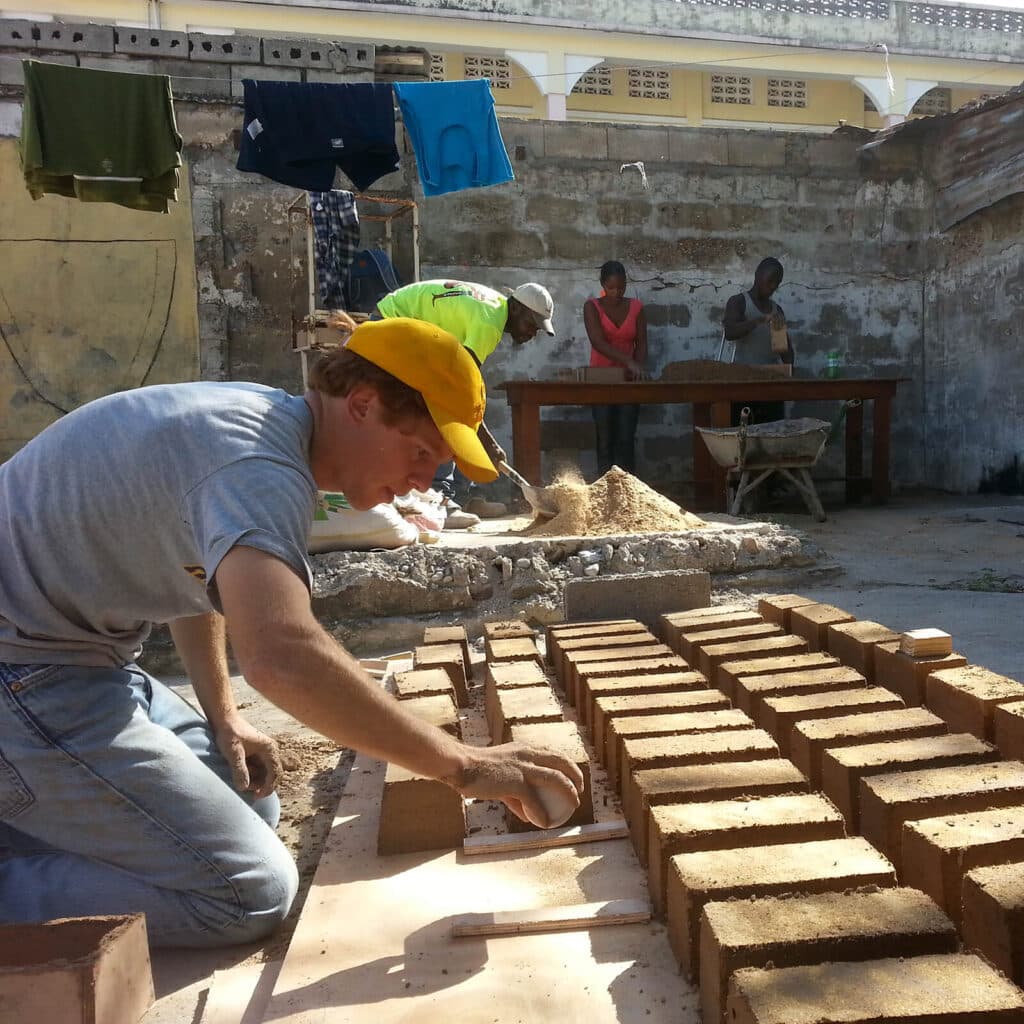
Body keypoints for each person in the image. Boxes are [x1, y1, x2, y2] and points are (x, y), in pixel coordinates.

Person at [0, 318, 582, 948]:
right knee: (245, 890)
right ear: (361, 405)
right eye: (420, 453)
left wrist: (225, 718)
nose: (423, 481)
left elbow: (193, 577)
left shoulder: (265, 423)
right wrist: (463, 766)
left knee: (249, 796)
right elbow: (281, 656)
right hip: (24, 676)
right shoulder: (258, 466)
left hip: (67, 660)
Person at [376, 279, 555, 527]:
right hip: (392, 324)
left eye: (537, 329)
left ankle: (462, 495)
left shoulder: (495, 308)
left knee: (464, 408)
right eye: (531, 324)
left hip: (411, 331)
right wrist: (489, 443)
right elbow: (458, 393)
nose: (531, 333)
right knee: (445, 412)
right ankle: (439, 501)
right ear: (516, 308)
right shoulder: (489, 322)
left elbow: (466, 388)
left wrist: (482, 434)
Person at [583, 260, 648, 476]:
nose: (616, 292)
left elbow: (642, 343)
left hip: (628, 382)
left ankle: (629, 489)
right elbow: (598, 342)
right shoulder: (592, 307)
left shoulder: (637, 307)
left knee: (626, 439)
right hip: (601, 380)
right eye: (611, 288)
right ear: (603, 284)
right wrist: (627, 360)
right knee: (605, 440)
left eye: (621, 287)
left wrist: (637, 366)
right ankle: (605, 491)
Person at [722, 256, 794, 425]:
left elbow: (786, 350)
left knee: (772, 433)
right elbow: (730, 332)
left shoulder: (777, 311)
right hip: (742, 382)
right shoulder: (738, 302)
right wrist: (757, 321)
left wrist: (790, 372)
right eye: (769, 281)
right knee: (742, 434)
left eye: (777, 283)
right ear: (757, 276)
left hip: (770, 383)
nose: (773, 287)